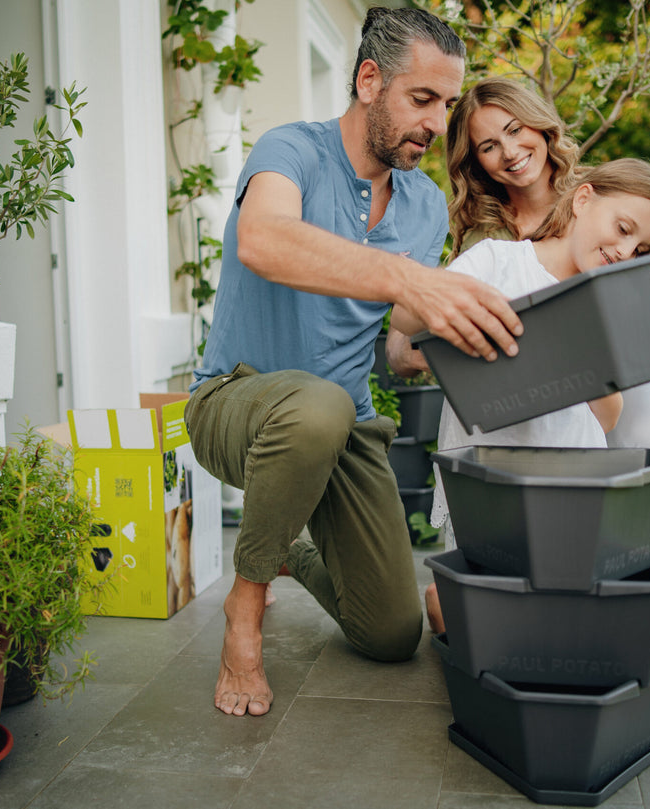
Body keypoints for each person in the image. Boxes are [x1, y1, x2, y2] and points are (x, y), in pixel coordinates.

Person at [184, 7, 525, 718]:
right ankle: (243, 608)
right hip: (237, 404)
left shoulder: (425, 205)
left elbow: (399, 335)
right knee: (319, 405)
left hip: (344, 430)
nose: (437, 124)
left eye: (448, 105)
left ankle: (288, 552)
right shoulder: (292, 152)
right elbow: (265, 241)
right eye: (422, 99)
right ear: (369, 80)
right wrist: (406, 279)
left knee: (392, 631)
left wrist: (450, 335)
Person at [391, 158, 650, 634]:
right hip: (486, 482)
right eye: (623, 228)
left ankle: (461, 605)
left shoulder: (613, 300)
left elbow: (607, 420)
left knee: (554, 633)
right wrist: (417, 291)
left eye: (641, 247)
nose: (625, 249)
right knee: (493, 623)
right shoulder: (498, 261)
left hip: (569, 482)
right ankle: (452, 601)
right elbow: (406, 322)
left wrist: (580, 354)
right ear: (584, 199)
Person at [386, 76, 581, 376]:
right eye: (490, 147)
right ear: (476, 163)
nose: (511, 152)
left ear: (538, 123)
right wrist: (399, 346)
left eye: (515, 130)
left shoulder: (593, 202)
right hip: (522, 381)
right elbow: (431, 309)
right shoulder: (483, 236)